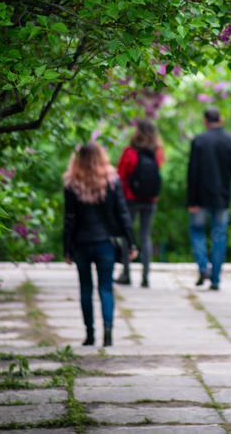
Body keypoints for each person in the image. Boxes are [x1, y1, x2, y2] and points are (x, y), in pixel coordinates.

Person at [62, 141, 138, 347]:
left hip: (81, 244)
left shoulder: (72, 183)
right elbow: (122, 214)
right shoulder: (111, 180)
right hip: (105, 243)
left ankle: (90, 334)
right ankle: (108, 331)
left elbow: (69, 219)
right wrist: (131, 242)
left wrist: (66, 248)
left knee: (85, 288)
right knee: (106, 288)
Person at [186, 106, 231, 291]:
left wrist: (191, 200)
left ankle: (203, 267)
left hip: (200, 198)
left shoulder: (199, 140)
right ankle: (215, 279)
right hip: (222, 197)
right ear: (221, 119)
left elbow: (193, 172)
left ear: (205, 120)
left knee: (197, 231)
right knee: (219, 236)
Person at [115, 118, 164, 288]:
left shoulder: (129, 151)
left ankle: (127, 274)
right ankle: (145, 277)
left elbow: (120, 176)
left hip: (130, 198)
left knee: (127, 235)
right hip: (150, 199)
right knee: (145, 236)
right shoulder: (158, 152)